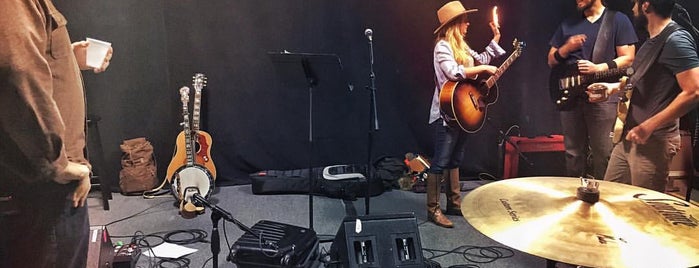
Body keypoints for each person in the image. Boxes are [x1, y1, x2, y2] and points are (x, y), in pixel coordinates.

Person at [0, 0, 113, 267]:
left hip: (37, 186)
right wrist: (57, 165)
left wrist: (66, 57)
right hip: (43, 191)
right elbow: (17, 71)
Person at [586, 0, 699, 192]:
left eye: (635, 3)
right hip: (630, 136)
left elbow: (694, 91)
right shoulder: (651, 41)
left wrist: (649, 126)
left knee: (645, 211)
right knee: (610, 196)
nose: (632, 8)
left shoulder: (676, 40)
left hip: (652, 141)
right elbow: (637, 80)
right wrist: (612, 88)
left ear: (646, 5)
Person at [427, 1, 506, 228]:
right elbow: (454, 72)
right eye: (464, 20)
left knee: (456, 158)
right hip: (446, 112)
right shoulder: (442, 46)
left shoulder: (461, 46)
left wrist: (496, 38)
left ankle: (453, 203)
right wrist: (482, 70)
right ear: (455, 24)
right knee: (440, 161)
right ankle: (433, 209)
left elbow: (481, 60)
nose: (468, 24)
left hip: (462, 110)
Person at [547, 0, 638, 180]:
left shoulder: (617, 20)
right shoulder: (568, 24)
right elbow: (551, 60)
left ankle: (604, 199)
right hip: (570, 97)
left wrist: (599, 68)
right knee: (573, 154)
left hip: (602, 97)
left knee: (604, 154)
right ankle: (576, 198)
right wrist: (566, 48)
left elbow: (628, 59)